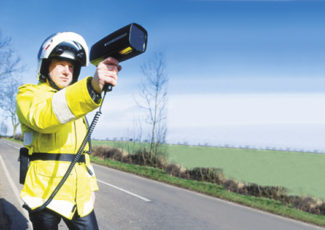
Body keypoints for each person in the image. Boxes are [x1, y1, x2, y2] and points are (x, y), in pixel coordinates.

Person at [16, 32, 120, 229]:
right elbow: (43, 117)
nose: (67, 71)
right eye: (61, 64)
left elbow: (83, 155)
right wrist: (91, 87)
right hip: (43, 193)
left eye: (72, 67)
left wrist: (90, 188)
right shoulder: (29, 93)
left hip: (79, 197)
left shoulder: (76, 107)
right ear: (46, 65)